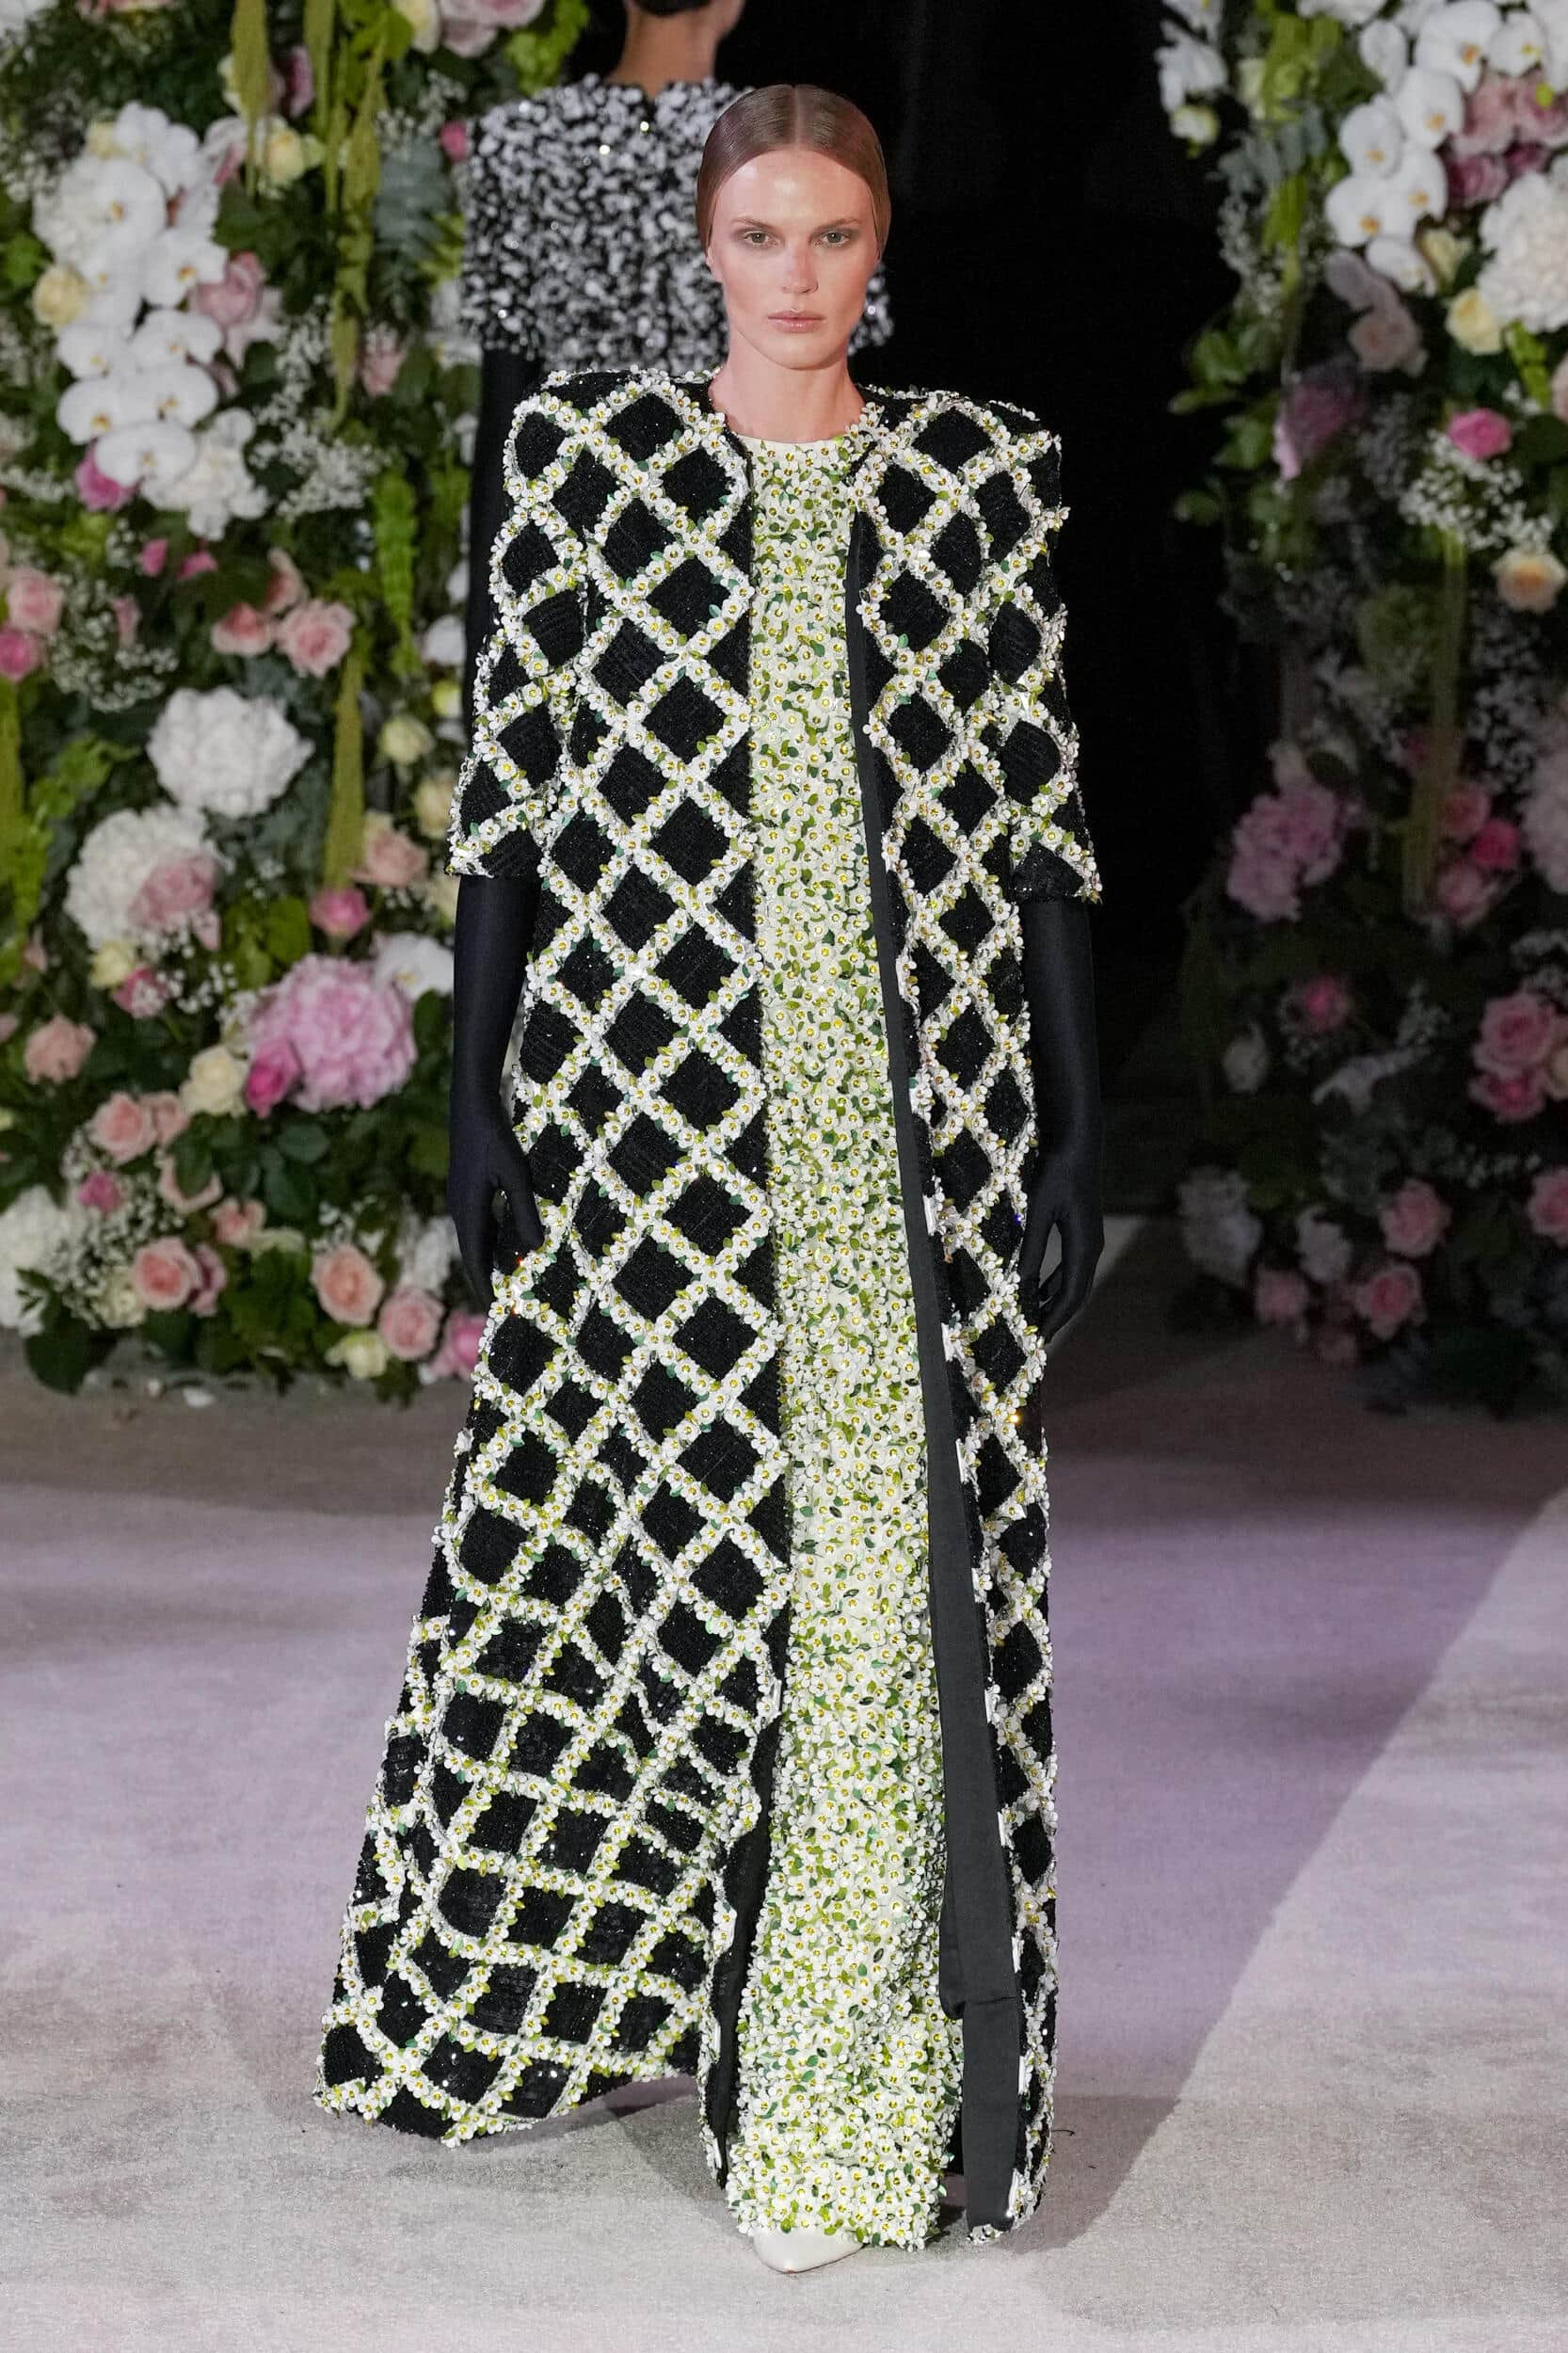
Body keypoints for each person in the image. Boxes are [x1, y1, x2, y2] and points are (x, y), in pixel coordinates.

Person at [317, 84, 1105, 2274]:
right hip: (650, 1129)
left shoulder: (978, 476)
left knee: (883, 1582)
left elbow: (1039, 814)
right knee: (666, 1563)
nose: (794, 274)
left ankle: (847, 2102)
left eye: (830, 234)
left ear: (881, 250)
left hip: (912, 1134)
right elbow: (512, 804)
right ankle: (641, 1996)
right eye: (757, 234)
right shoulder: (588, 465)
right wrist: (477, 1107)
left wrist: (1074, 1116)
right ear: (701, 249)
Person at [459, 0, 890, 725]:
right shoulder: (791, 154)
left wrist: (487, 641)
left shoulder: (520, 140)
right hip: (745, 548)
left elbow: (504, 411)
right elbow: (834, 408)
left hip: (577, 547)